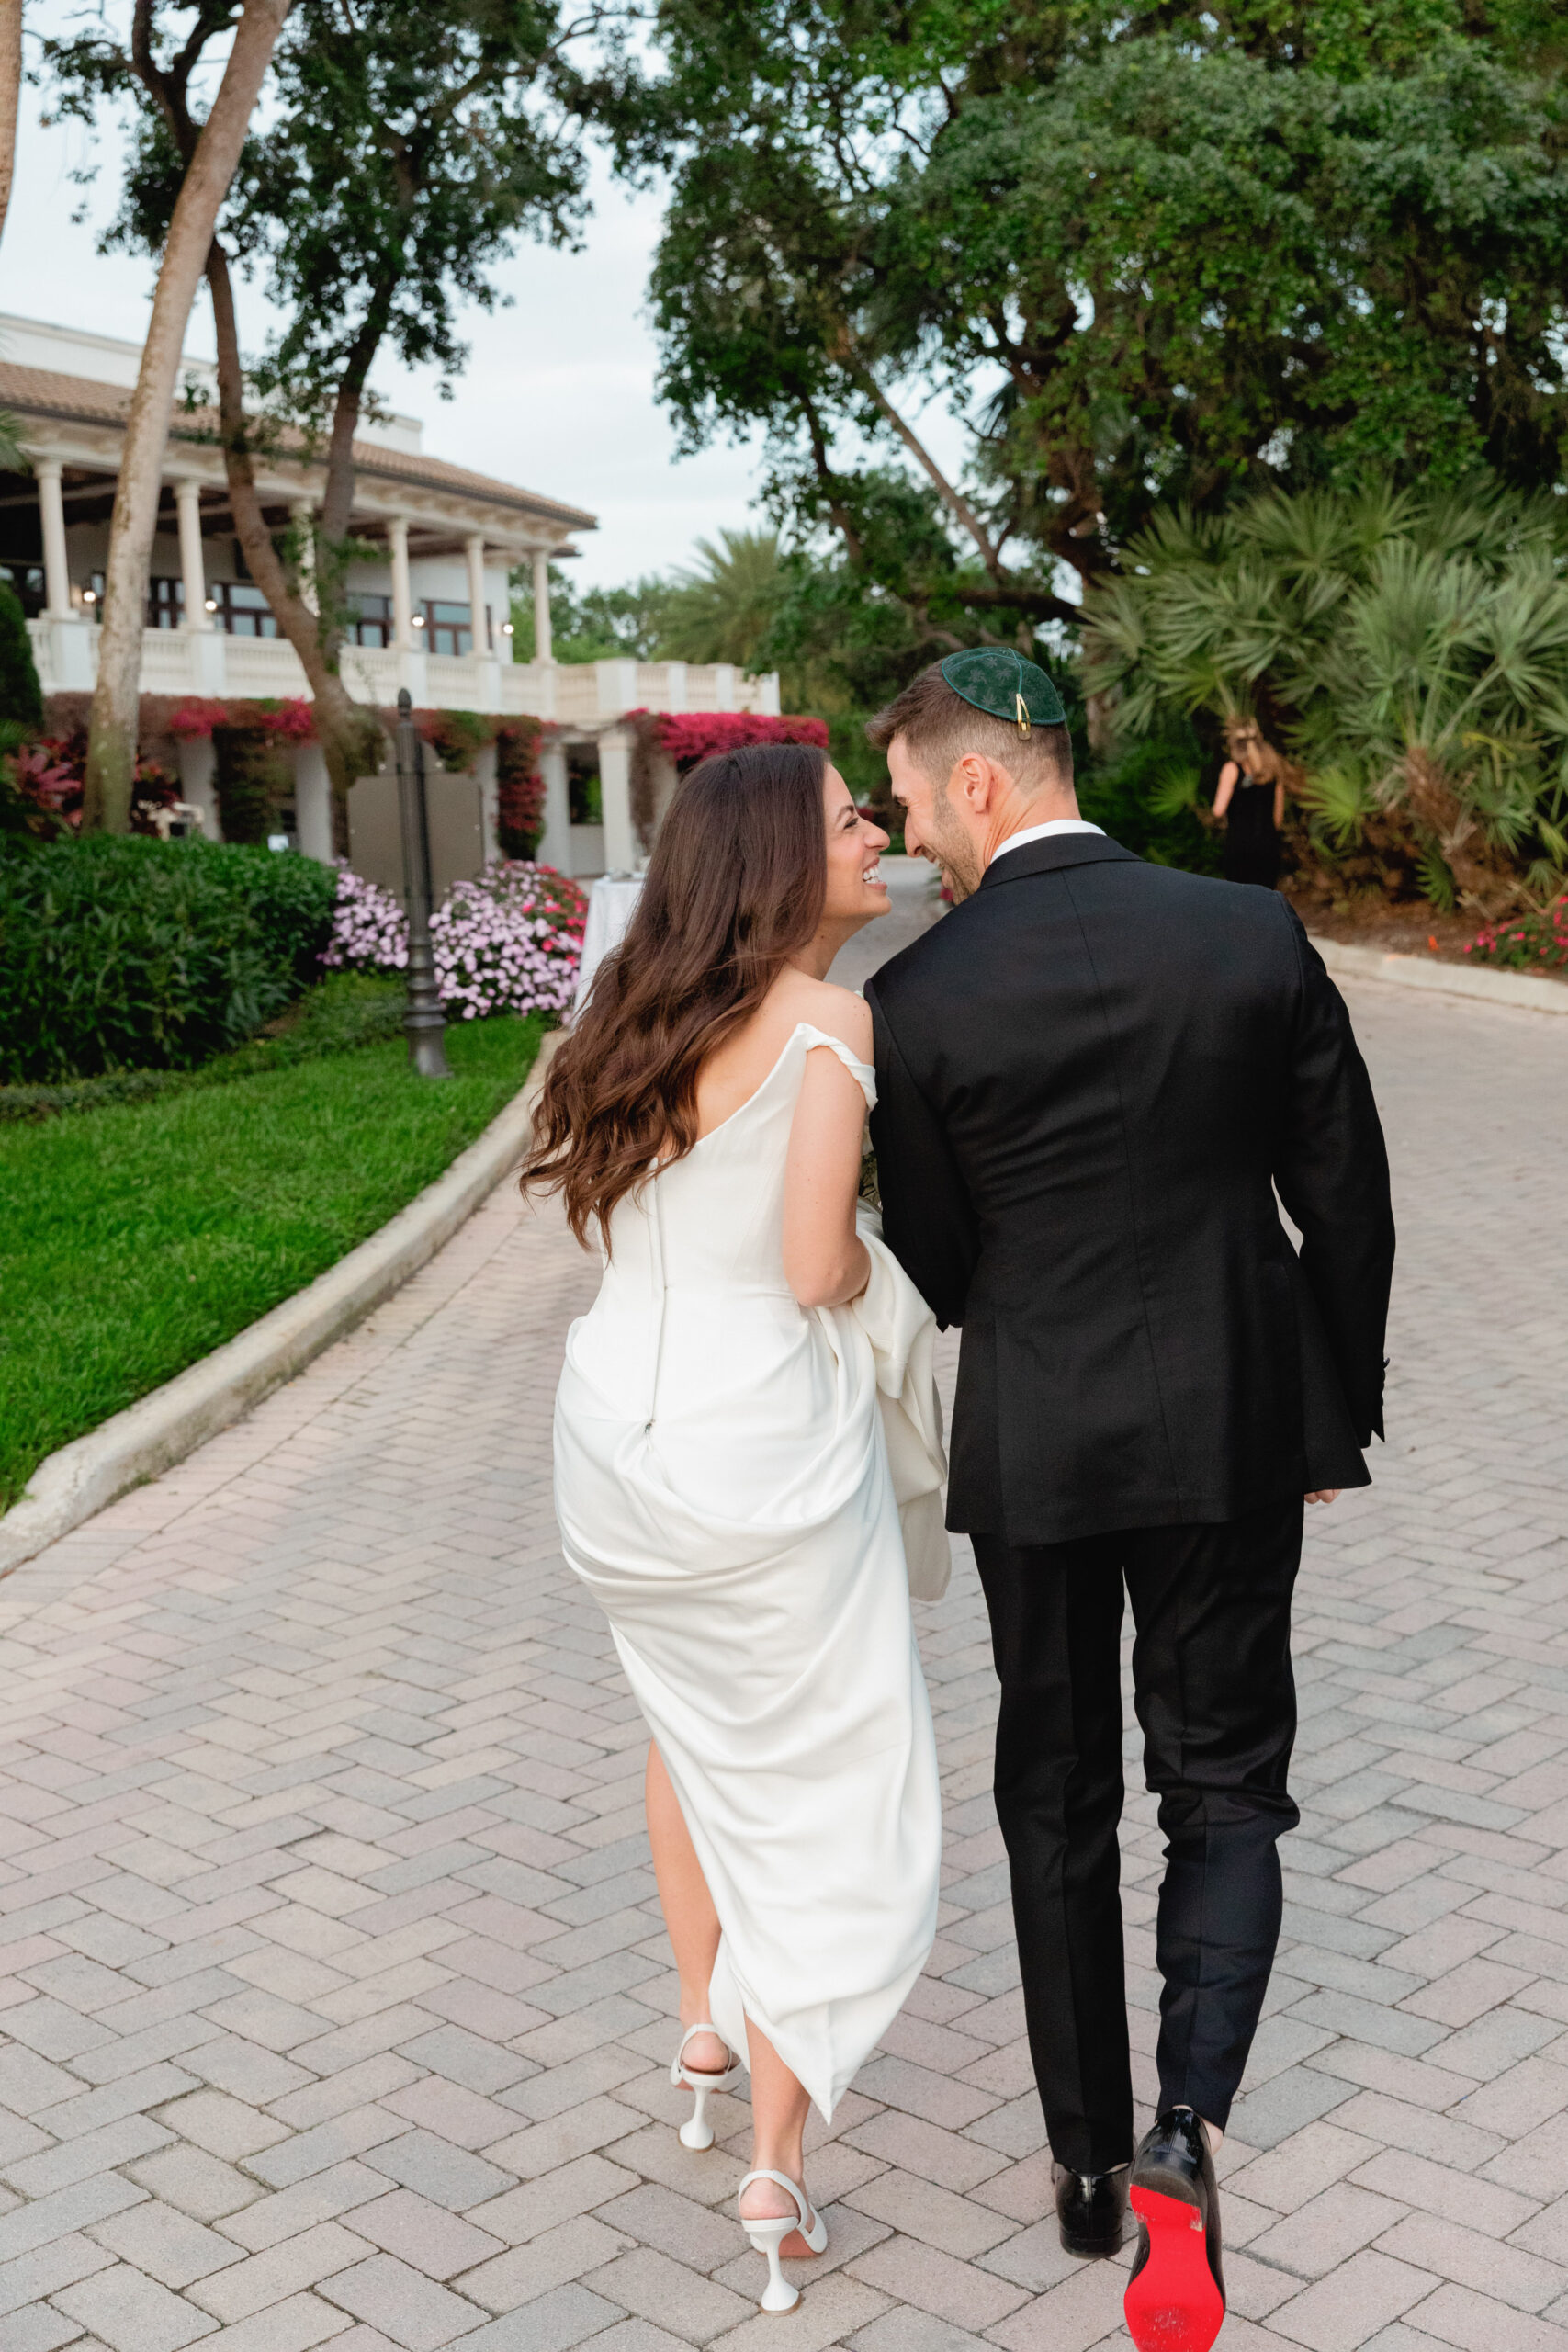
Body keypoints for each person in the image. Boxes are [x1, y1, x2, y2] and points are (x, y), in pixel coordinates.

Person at [863, 651, 1395, 2352]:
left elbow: (935, 1254)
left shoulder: (916, 994)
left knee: (1056, 1789)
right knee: (1223, 1783)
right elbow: (1346, 1199)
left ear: (978, 783)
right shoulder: (1245, 933)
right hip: (1232, 1418)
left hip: (1036, 1436)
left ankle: (1088, 2163)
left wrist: (1028, 1308)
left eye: (909, 802)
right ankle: (1189, 2122)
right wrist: (1330, 1411)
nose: (906, 839)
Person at [525, 743, 946, 2317]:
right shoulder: (827, 1023)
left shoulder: (622, 1011)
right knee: (824, 1791)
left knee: (690, 1727)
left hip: (612, 1448)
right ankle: (774, 2164)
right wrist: (906, 1288)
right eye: (844, 817)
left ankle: (701, 2024)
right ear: (777, 858)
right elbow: (813, 1267)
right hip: (759, 1455)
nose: (870, 831)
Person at [1213, 718, 1289, 889]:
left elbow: (1218, 810)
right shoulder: (1273, 771)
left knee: (1240, 898)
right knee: (1265, 895)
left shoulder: (1231, 769)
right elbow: (1278, 818)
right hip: (1268, 846)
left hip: (1239, 846)